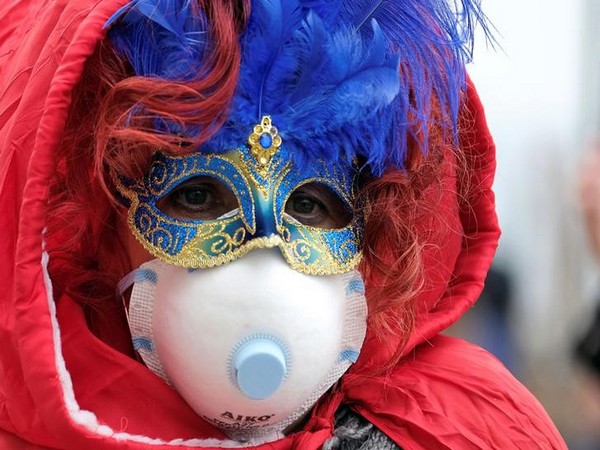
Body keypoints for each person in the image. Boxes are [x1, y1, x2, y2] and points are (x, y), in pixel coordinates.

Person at [0, 0, 567, 449]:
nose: (263, 254)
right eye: (197, 196)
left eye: (311, 205)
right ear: (103, 218)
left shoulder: (457, 426)